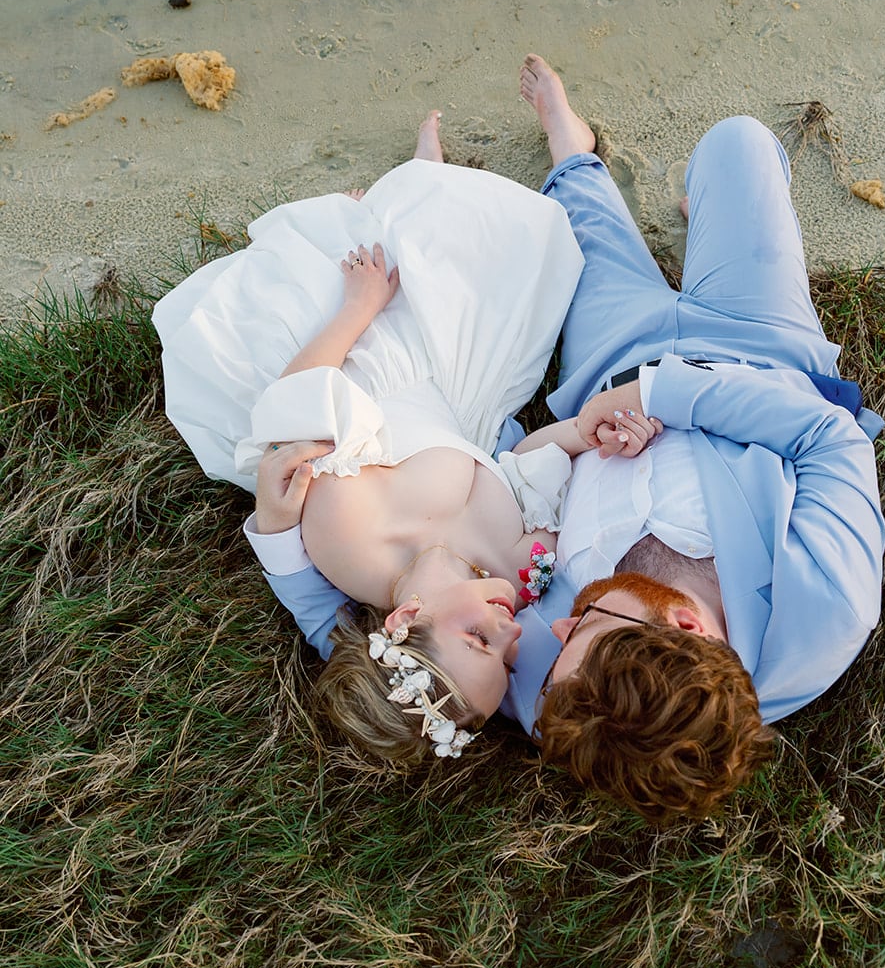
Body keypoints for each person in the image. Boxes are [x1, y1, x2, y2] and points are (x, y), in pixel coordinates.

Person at [252, 58, 885, 821]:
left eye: (568, 641)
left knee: (579, 233)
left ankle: (572, 154)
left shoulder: (543, 680)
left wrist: (280, 531)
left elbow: (369, 651)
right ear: (687, 627)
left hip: (603, 359)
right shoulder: (826, 611)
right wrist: (661, 393)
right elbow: (831, 441)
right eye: (578, 629)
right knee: (739, 143)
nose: (546, 630)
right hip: (757, 344)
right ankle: (611, 162)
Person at [152, 108, 659, 766]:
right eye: (507, 657)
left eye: (481, 640)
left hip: (362, 363)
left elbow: (302, 399)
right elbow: (517, 470)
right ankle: (416, 185)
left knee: (374, 263)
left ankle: (393, 199)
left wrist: (359, 307)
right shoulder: (515, 572)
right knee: (510, 249)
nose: (511, 632)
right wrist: (583, 435)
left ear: (401, 619)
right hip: (457, 390)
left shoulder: (348, 536)